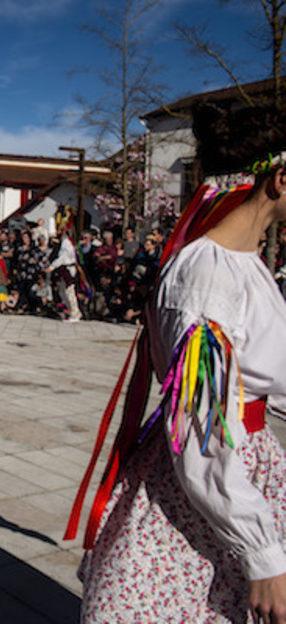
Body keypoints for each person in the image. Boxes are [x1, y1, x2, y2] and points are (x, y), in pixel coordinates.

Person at [73, 103, 286, 622]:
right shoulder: (207, 279)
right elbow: (201, 429)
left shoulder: (242, 264)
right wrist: (262, 552)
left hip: (246, 470)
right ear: (280, 179)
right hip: (212, 487)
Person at [46, 207, 82, 322]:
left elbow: (62, 258)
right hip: (64, 268)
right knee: (62, 292)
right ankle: (72, 311)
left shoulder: (67, 243)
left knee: (69, 291)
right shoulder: (63, 242)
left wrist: (52, 267)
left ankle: (75, 313)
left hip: (68, 268)